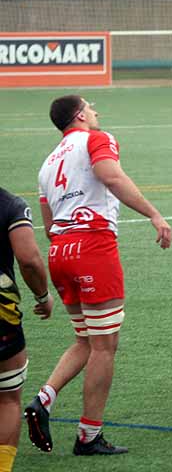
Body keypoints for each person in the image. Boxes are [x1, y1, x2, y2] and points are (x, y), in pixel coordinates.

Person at [26, 95, 172, 456]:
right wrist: (154, 214)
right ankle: (89, 435)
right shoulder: (97, 138)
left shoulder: (47, 164)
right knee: (105, 345)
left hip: (60, 251)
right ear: (79, 115)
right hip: (92, 246)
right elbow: (111, 176)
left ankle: (43, 400)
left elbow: (47, 224)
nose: (96, 112)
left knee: (85, 340)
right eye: (90, 107)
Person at [0, 187, 52, 472]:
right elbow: (29, 259)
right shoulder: (10, 205)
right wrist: (43, 297)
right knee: (7, 398)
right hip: (1, 313)